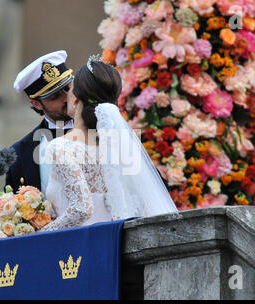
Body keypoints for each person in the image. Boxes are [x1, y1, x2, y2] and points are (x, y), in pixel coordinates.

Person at [40, 56, 178, 232]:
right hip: (113, 243)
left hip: (76, 249)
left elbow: (82, 209)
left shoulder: (62, 146)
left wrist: (41, 234)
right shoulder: (120, 148)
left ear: (76, 98)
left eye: (70, 89)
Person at [6, 50, 74, 195]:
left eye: (68, 88)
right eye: (55, 96)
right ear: (36, 104)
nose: (66, 98)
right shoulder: (19, 154)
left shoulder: (101, 130)